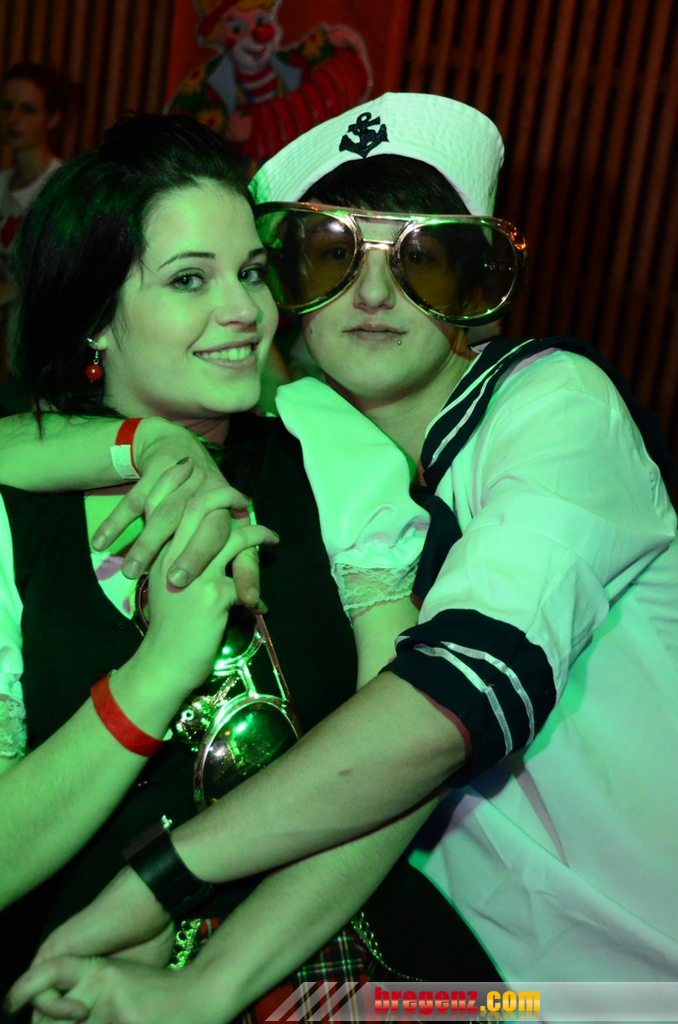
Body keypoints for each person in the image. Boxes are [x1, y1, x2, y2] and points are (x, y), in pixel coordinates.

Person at [3, 92, 678, 1019]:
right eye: (331, 256)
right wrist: (139, 443)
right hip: (472, 966)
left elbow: (447, 704)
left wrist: (164, 899)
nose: (372, 294)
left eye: (421, 258)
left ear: (476, 281)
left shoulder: (549, 406)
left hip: (622, 977)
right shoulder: (311, 431)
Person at [0, 64, 67, 368]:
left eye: (27, 109)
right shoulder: (2, 184)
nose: (13, 119)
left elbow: (58, 272)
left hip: (43, 351)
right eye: (6, 107)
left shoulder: (63, 187)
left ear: (52, 119)